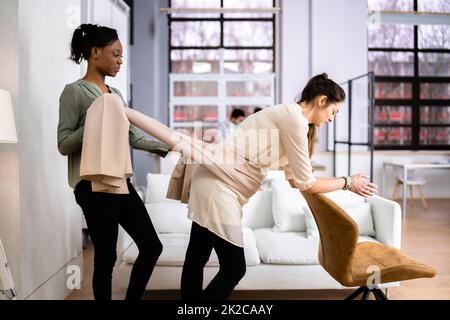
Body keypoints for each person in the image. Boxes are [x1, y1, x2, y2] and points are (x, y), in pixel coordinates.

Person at [178, 73, 378, 300]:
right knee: (234, 267)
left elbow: (295, 181)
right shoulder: (294, 120)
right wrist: (348, 182)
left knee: (197, 257)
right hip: (219, 185)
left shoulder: (292, 118)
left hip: (213, 180)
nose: (332, 119)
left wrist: (340, 183)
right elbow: (307, 183)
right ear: (322, 101)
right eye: (334, 112)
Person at [57, 24, 170, 300]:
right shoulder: (74, 92)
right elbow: (63, 144)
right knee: (106, 257)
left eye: (122, 55)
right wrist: (96, 120)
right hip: (92, 186)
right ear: (95, 52)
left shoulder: (116, 95)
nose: (121, 60)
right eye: (116, 54)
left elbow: (132, 137)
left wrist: (170, 147)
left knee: (151, 246)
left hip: (120, 182)